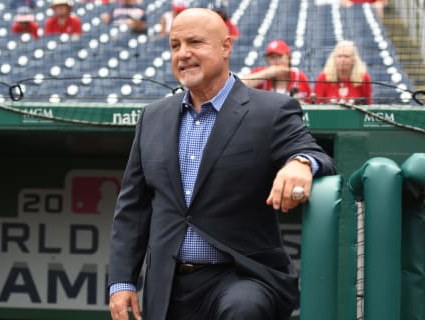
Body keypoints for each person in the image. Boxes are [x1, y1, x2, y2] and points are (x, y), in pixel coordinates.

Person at [107, 8, 336, 320]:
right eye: (175, 46)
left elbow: (316, 155)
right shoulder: (152, 117)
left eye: (195, 43)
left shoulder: (271, 110)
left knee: (242, 310)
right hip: (169, 285)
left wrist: (299, 163)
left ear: (226, 47)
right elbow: (132, 208)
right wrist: (121, 281)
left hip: (243, 276)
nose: (183, 54)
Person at [241, 40, 312, 103]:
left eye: (279, 56)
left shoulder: (299, 76)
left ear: (288, 57)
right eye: (271, 57)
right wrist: (268, 73)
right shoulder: (261, 72)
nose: (275, 61)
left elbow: (311, 103)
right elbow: (240, 85)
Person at [313, 40, 373, 105]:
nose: (342, 60)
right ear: (334, 58)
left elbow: (368, 105)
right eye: (339, 56)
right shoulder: (323, 78)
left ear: (353, 59)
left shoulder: (363, 78)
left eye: (346, 56)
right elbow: (317, 105)